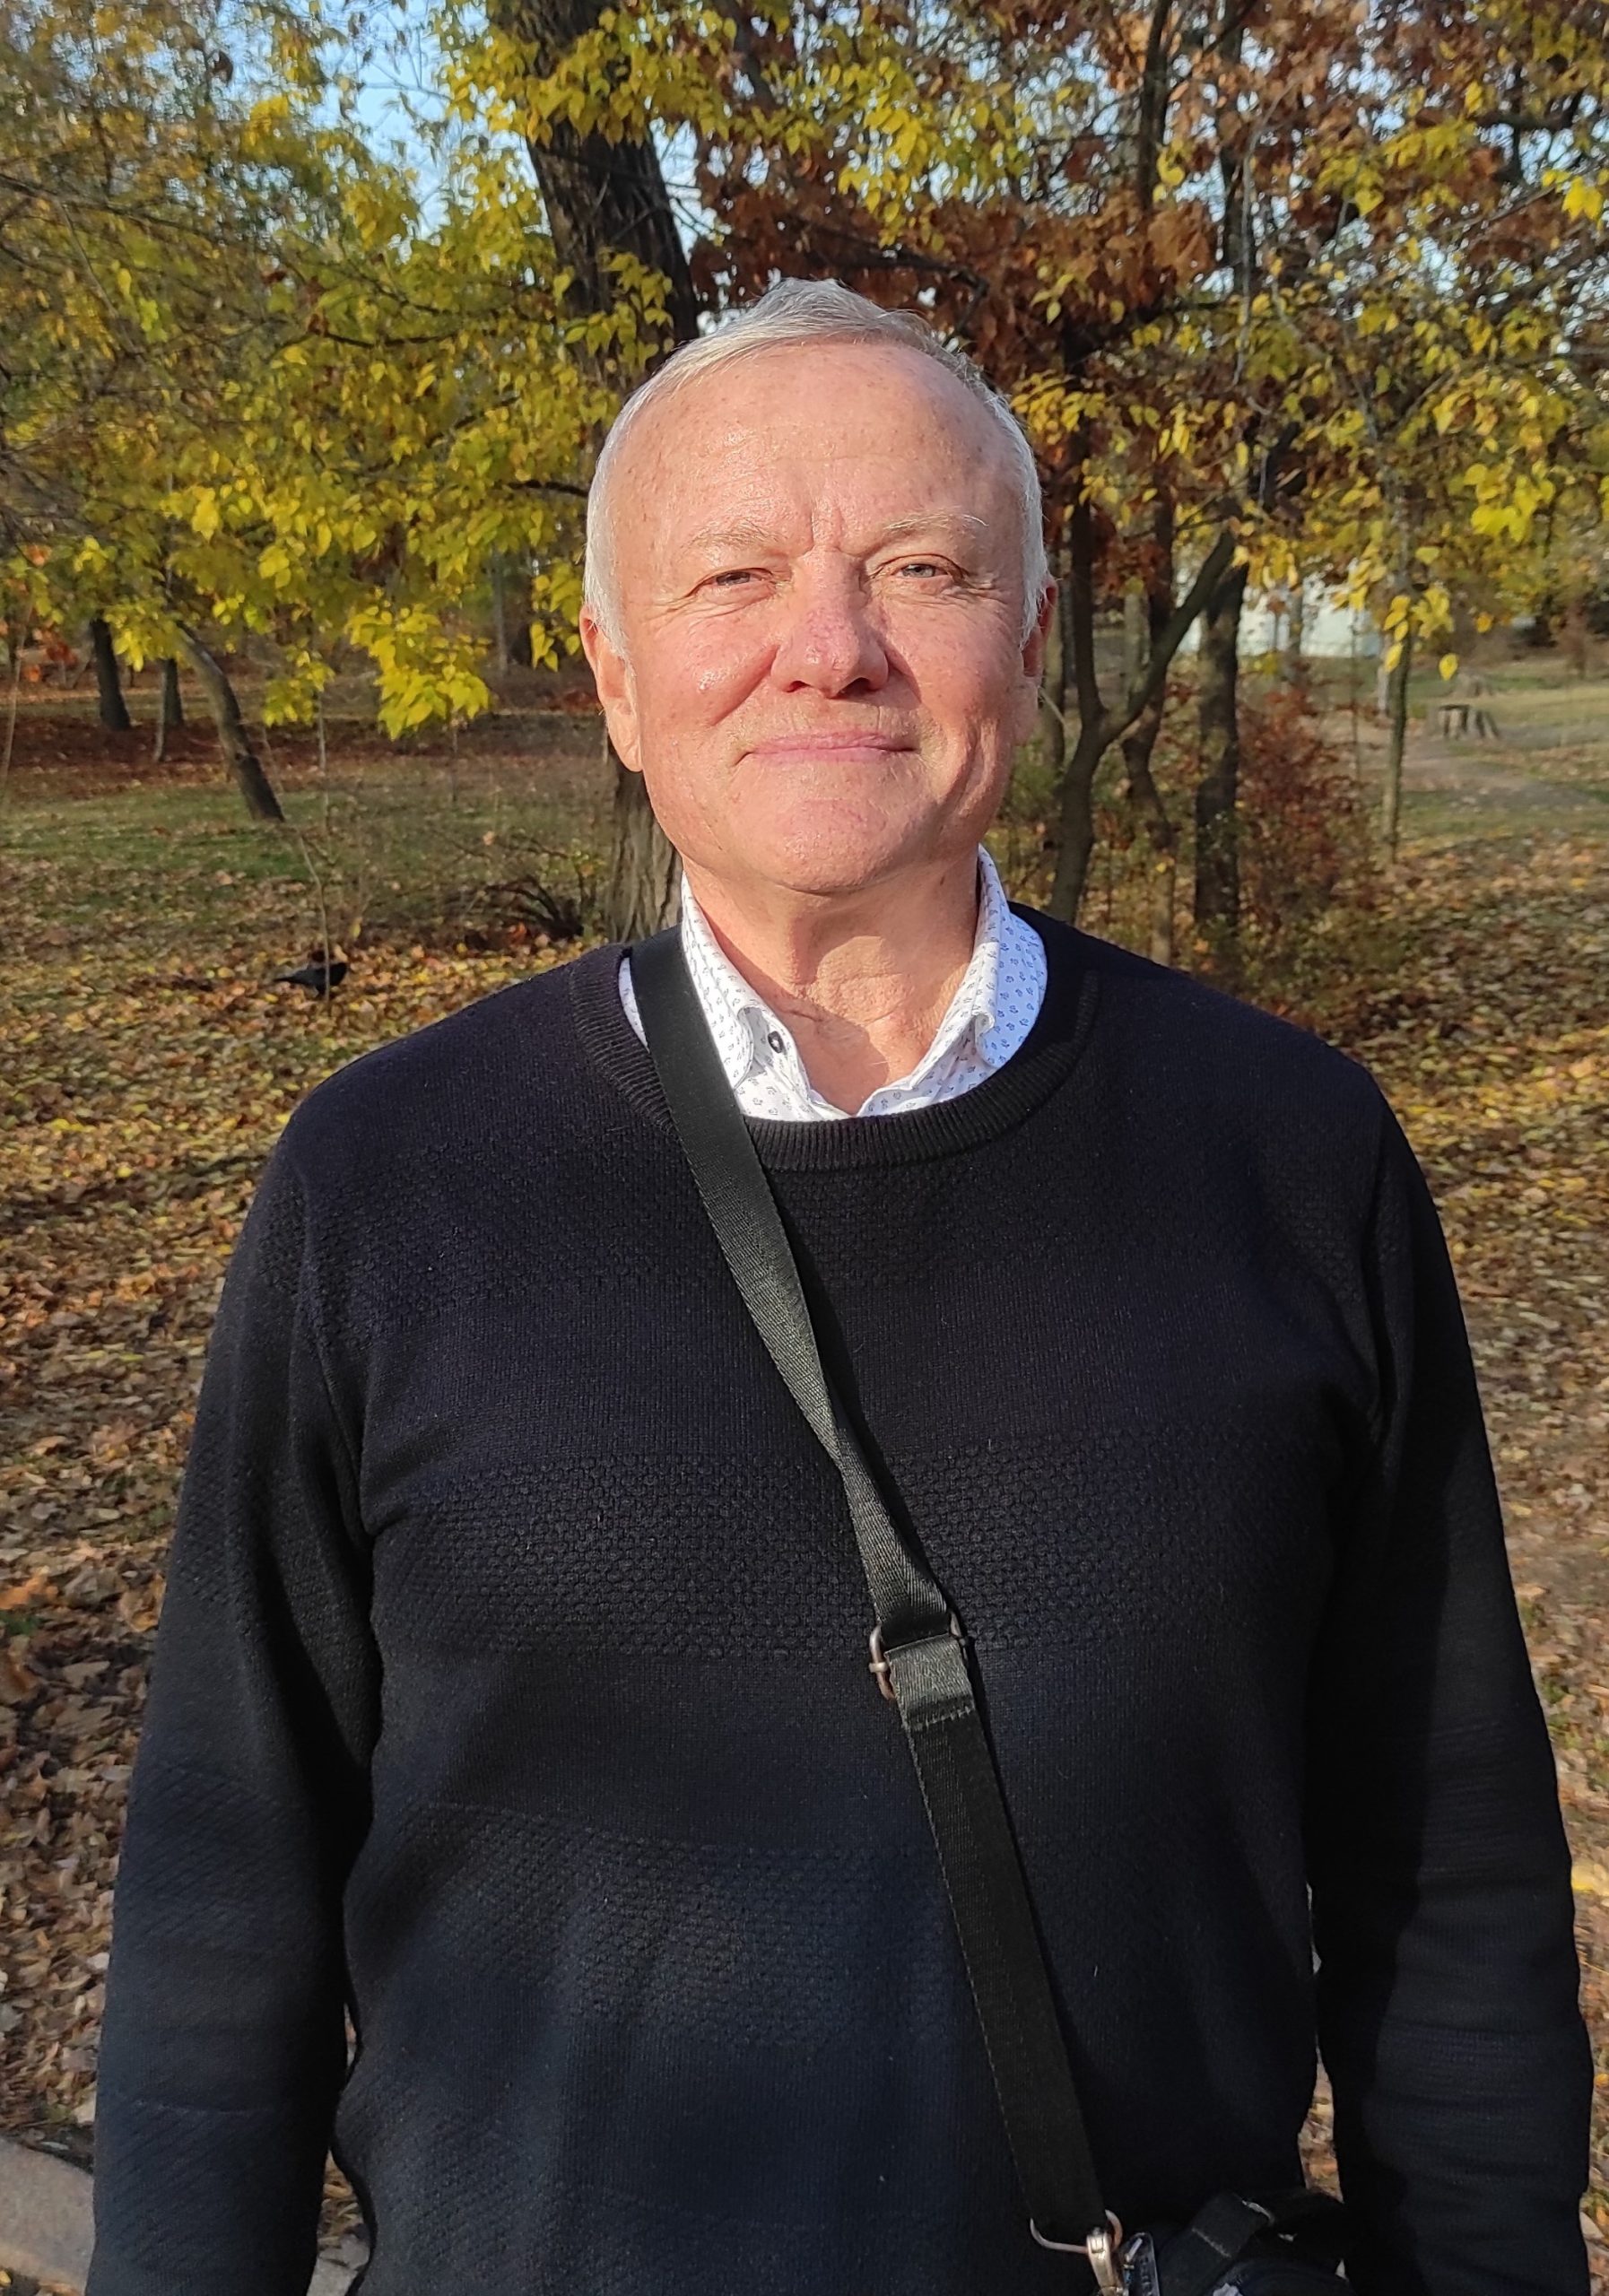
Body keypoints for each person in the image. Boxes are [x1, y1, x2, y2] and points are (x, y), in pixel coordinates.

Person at [86, 280, 1589, 2296]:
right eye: (733, 576)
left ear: (1030, 643)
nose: (831, 645)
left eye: (921, 568)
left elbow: (1447, 1875)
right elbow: (224, 1908)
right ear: (616, 675)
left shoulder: (1288, 1157)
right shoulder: (390, 1183)